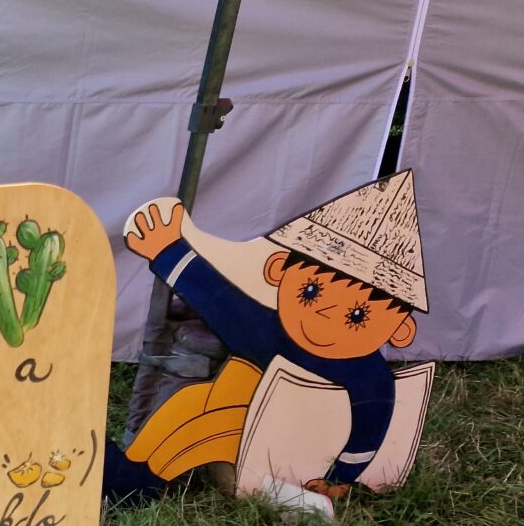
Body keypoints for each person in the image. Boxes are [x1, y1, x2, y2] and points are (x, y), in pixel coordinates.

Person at [112, 172, 427, 507]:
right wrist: (167, 253)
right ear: (278, 271)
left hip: (293, 448)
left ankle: (140, 479)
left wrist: (340, 478)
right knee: (193, 405)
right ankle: (137, 479)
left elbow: (370, 425)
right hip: (237, 425)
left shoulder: (370, 377)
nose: (324, 315)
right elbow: (221, 301)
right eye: (310, 292)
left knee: (208, 407)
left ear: (400, 330)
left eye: (357, 315)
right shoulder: (268, 332)